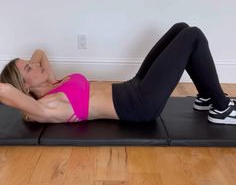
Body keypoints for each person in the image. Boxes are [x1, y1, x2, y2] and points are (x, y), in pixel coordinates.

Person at [0, 22, 235, 125]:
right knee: (193, 36)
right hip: (139, 105)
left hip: (133, 86)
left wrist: (28, 71)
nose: (36, 65)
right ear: (23, 88)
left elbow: (39, 52)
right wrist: (22, 84)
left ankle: (206, 96)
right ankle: (222, 109)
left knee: (180, 29)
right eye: (30, 69)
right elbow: (6, 90)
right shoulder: (46, 107)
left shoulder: (51, 83)